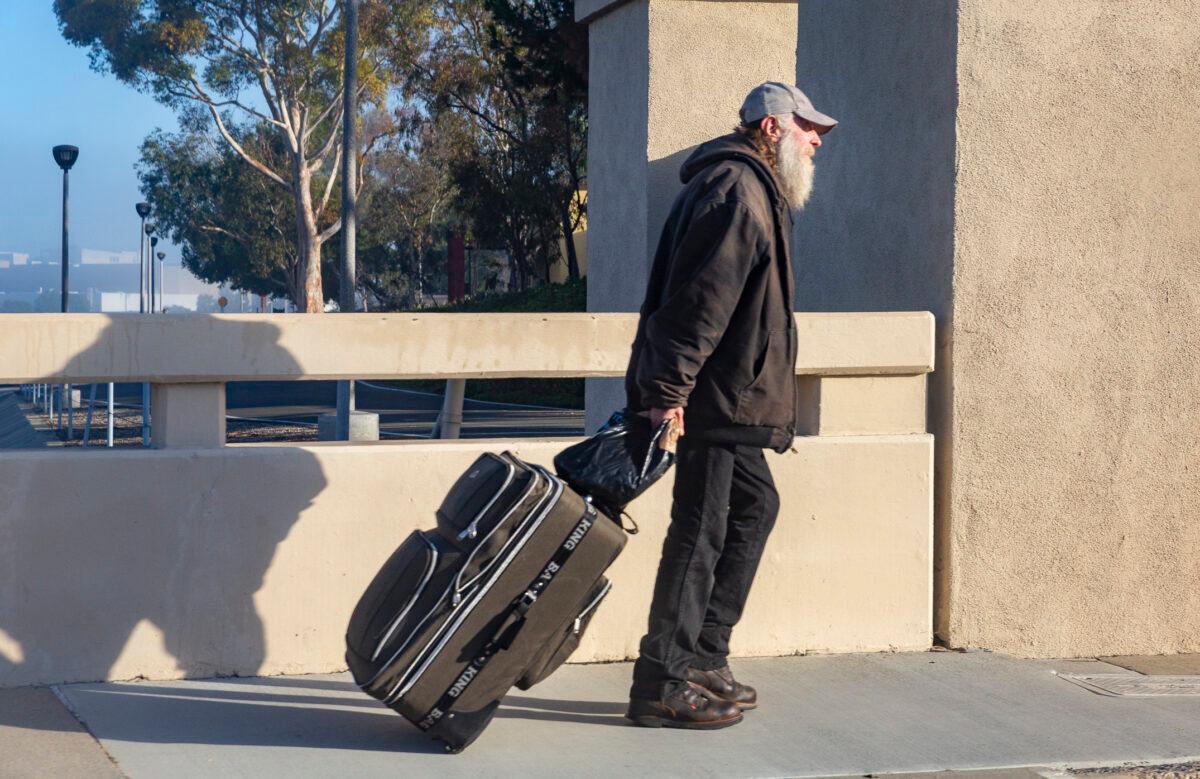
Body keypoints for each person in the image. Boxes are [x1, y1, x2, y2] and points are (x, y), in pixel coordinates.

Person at [623, 81, 836, 729]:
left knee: (754, 506)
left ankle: (703, 656)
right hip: (712, 401)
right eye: (806, 127)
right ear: (771, 128)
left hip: (731, 401)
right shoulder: (737, 190)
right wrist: (668, 395)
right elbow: (699, 305)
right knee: (700, 530)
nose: (817, 140)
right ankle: (662, 682)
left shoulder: (752, 189)